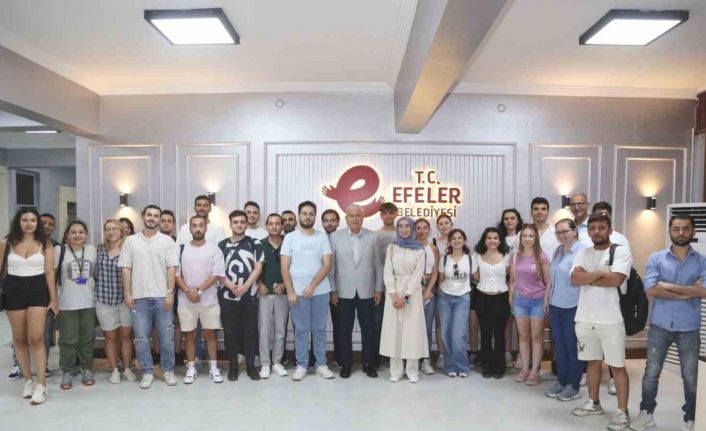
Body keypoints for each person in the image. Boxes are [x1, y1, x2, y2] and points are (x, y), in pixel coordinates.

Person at [630, 215, 706, 431]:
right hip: (660, 326)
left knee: (690, 377)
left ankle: (692, 416)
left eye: (686, 228)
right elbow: (651, 289)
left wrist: (667, 286)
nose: (681, 233)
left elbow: (704, 291)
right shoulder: (657, 258)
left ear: (693, 232)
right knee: (651, 373)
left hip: (689, 328)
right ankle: (646, 413)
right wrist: (690, 291)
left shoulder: (702, 261)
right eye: (676, 228)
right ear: (670, 231)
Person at [570, 213, 633, 431]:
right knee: (592, 362)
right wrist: (600, 274)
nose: (596, 232)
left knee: (617, 366)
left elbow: (616, 280)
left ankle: (622, 412)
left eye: (601, 227)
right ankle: (593, 402)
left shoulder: (620, 251)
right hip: (585, 317)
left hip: (611, 319)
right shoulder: (583, 253)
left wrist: (588, 277)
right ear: (588, 232)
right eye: (593, 228)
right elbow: (574, 279)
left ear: (610, 230)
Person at [0, 207, 58, 404]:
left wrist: (53, 299)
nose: (29, 223)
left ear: (37, 223)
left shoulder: (45, 243)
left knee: (36, 338)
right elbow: (2, 271)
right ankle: (28, 380)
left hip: (38, 290)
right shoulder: (6, 243)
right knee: (19, 339)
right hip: (13, 290)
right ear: (18, 222)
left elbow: (49, 273)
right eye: (25, 220)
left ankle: (42, 385)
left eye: (33, 220)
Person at [118, 205, 180, 389]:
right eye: (149, 215)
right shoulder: (131, 241)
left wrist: (170, 293)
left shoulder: (167, 242)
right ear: (143, 216)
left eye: (156, 216)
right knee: (141, 338)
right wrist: (127, 293)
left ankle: (167, 369)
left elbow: (171, 268)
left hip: (162, 297)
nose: (152, 218)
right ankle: (147, 371)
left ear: (159, 219)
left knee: (167, 336)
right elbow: (126, 268)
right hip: (139, 298)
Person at [281, 201, 334, 381]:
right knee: (301, 330)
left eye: (311, 214)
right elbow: (284, 266)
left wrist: (312, 286)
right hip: (297, 293)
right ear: (299, 215)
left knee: (319, 329)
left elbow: (327, 265)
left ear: (314, 216)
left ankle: (321, 364)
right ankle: (302, 364)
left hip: (320, 291)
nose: (307, 217)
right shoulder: (290, 238)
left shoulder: (322, 237)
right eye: (304, 213)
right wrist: (290, 291)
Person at [329, 204, 383, 378]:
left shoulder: (373, 237)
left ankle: (369, 363)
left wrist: (378, 288)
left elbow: (378, 265)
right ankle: (346, 364)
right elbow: (331, 266)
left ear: (363, 217)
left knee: (369, 329)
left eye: (358, 215)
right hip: (343, 291)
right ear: (346, 218)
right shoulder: (335, 237)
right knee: (344, 329)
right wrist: (333, 290)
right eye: (351, 216)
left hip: (368, 290)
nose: (354, 219)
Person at [589, 200, 632, 395]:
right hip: (591, 302)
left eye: (604, 215)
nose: (597, 230)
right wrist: (597, 277)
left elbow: (618, 276)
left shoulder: (620, 241)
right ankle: (593, 393)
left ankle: (614, 379)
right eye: (597, 214)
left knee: (614, 346)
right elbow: (577, 275)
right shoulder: (588, 241)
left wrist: (590, 279)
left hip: (615, 299)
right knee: (593, 347)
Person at [176, 215, 226, 384]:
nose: (198, 228)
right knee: (189, 336)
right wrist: (188, 292)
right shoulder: (181, 249)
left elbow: (216, 274)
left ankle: (213, 367)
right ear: (190, 228)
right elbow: (176, 274)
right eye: (194, 225)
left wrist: (198, 291)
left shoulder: (214, 249)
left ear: (206, 228)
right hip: (186, 302)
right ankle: (191, 368)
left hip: (209, 301)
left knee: (211, 335)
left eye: (201, 225)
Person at [380, 217, 427, 383]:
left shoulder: (419, 250)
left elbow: (417, 275)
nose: (404, 229)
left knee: (412, 332)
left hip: (412, 295)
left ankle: (412, 370)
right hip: (393, 293)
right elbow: (387, 272)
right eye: (401, 226)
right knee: (394, 331)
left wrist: (405, 296)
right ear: (397, 229)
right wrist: (393, 295)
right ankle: (396, 371)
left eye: (407, 226)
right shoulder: (392, 248)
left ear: (412, 229)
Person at [218, 210, 264, 381]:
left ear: (246, 224)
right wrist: (231, 287)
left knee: (250, 332)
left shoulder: (255, 243)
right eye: (235, 222)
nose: (239, 225)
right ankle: (233, 367)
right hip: (227, 296)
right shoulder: (221, 245)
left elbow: (258, 268)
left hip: (249, 295)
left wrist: (244, 287)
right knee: (230, 332)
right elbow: (218, 270)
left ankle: (251, 367)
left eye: (242, 222)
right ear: (230, 224)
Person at [545, 219, 585, 401]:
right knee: (559, 346)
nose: (561, 235)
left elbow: (584, 280)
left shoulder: (582, 252)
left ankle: (573, 385)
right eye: (558, 232)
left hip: (573, 306)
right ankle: (562, 381)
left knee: (571, 346)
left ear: (574, 231)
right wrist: (547, 298)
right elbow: (551, 278)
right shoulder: (558, 251)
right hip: (556, 305)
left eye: (565, 231)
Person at [55, 220, 97, 389]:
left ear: (86, 235)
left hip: (89, 301)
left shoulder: (92, 250)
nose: (77, 235)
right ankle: (67, 371)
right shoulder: (59, 250)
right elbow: (51, 276)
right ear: (67, 235)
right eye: (73, 232)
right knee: (67, 339)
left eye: (81, 232)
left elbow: (96, 274)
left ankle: (87, 369)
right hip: (66, 302)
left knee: (87, 338)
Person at [95, 219, 136, 384]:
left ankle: (127, 368)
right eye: (108, 229)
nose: (111, 232)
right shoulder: (99, 249)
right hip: (104, 299)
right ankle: (114, 370)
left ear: (121, 231)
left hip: (125, 300)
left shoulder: (128, 249)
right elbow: (95, 272)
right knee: (110, 336)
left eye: (114, 229)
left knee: (126, 336)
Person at [509, 224, 550, 386]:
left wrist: (545, 301)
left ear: (535, 238)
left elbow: (548, 282)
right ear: (520, 238)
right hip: (520, 301)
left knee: (537, 337)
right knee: (523, 337)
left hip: (537, 301)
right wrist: (511, 299)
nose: (527, 239)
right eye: (524, 236)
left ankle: (534, 371)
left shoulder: (542, 257)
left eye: (530, 236)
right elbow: (512, 280)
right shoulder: (515, 256)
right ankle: (525, 369)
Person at [472, 227, 511, 379]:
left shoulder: (507, 256)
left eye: (495, 238)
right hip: (483, 298)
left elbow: (511, 276)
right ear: (484, 240)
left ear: (500, 240)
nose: (492, 241)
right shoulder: (477, 256)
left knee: (499, 334)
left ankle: (499, 367)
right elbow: (475, 276)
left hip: (502, 298)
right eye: (489, 238)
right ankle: (486, 366)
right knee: (486, 333)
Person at [257, 213, 289, 378]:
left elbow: (294, 268)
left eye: (277, 223)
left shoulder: (289, 243)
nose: (274, 226)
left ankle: (276, 362)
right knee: (264, 329)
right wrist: (259, 284)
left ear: (282, 226)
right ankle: (265, 364)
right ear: (267, 225)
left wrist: (285, 285)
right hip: (264, 294)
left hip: (283, 293)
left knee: (280, 330)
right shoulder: (259, 244)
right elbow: (254, 268)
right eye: (271, 223)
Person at [437, 228, 472, 378]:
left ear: (464, 240)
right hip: (445, 298)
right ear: (449, 241)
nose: (456, 240)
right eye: (453, 238)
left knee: (458, 334)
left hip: (462, 299)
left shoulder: (470, 259)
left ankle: (462, 366)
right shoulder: (444, 259)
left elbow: (477, 277)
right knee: (445, 333)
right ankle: (450, 366)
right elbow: (440, 278)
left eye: (459, 238)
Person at [498, 208, 524, 367]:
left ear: (518, 220)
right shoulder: (499, 237)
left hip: (521, 281)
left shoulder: (524, 236)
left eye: (512, 218)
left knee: (521, 320)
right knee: (506, 320)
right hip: (502, 281)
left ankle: (521, 354)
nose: (509, 221)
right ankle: (507, 352)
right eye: (506, 218)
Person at [374, 202, 398, 368]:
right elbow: (375, 261)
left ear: (396, 213)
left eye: (391, 212)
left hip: (399, 283)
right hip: (381, 284)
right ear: (381, 216)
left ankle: (396, 355)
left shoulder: (402, 233)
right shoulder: (376, 235)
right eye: (385, 213)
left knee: (396, 321)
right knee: (378, 321)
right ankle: (378, 356)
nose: (388, 216)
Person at [414, 218, 439, 375]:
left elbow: (435, 271)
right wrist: (419, 286)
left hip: (429, 291)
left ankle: (426, 360)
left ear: (429, 230)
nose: (422, 230)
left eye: (425, 227)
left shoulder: (433, 248)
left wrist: (428, 290)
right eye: (419, 228)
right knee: (412, 327)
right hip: (413, 291)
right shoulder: (410, 247)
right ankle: (412, 359)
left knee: (427, 326)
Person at [432, 213, 453, 368]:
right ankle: (441, 354)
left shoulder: (458, 240)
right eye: (441, 223)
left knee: (454, 324)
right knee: (440, 323)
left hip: (456, 287)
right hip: (438, 285)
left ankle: (452, 354)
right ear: (437, 227)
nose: (444, 226)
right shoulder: (433, 243)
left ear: (451, 224)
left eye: (446, 222)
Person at [322, 209, 341, 367]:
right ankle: (316, 358)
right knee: (317, 325)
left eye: (333, 220)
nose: (329, 223)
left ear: (338, 222)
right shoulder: (317, 238)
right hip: (319, 288)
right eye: (326, 220)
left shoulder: (343, 239)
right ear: (322, 223)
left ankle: (339, 357)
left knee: (339, 325)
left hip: (338, 289)